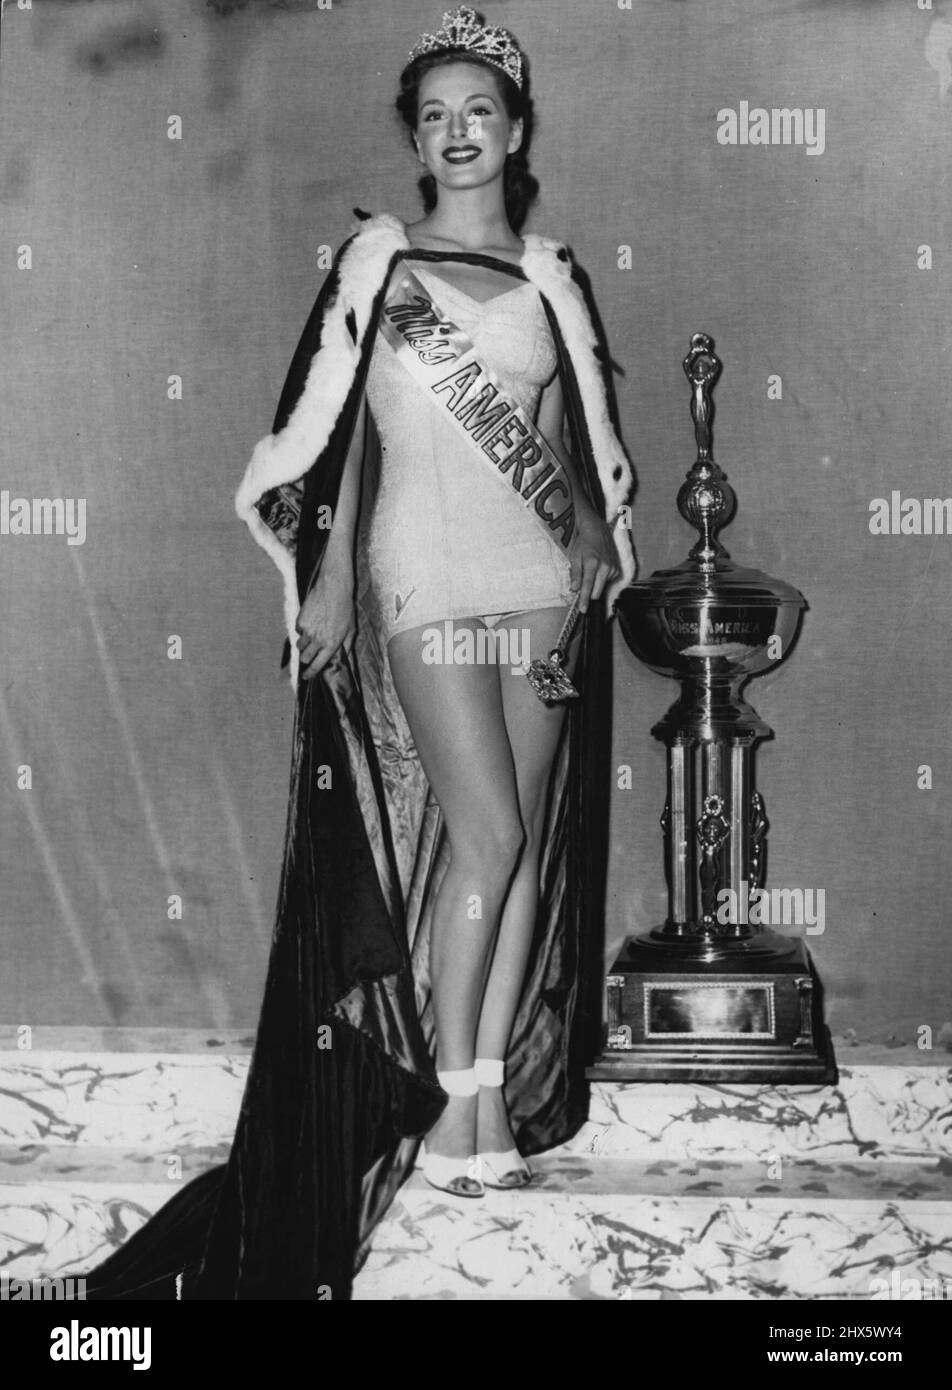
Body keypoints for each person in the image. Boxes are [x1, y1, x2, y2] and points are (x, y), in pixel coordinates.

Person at [80, 6, 636, 1300]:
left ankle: (483, 1100)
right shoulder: (376, 266)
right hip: (423, 572)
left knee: (528, 844)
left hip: (538, 583)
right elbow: (320, 445)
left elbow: (575, 445)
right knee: (488, 835)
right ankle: (453, 1096)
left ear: (516, 128)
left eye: (477, 110)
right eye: (433, 114)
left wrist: (600, 537)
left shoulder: (555, 275)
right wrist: (319, 581)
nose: (457, 132)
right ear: (416, 137)